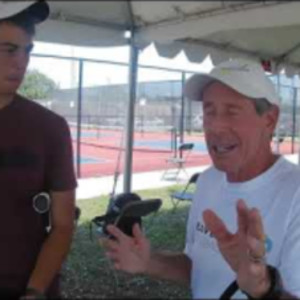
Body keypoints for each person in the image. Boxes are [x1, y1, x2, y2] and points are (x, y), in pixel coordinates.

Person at [104, 58, 300, 299]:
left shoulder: (294, 195)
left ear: (269, 120)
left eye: (232, 112)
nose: (215, 126)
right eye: (209, 111)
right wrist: (149, 262)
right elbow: (198, 267)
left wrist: (264, 289)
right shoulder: (208, 181)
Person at [0, 1, 77, 298]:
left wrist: (35, 291)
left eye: (27, 50)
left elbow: (63, 224)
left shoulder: (50, 127)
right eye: (9, 50)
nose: (22, 62)